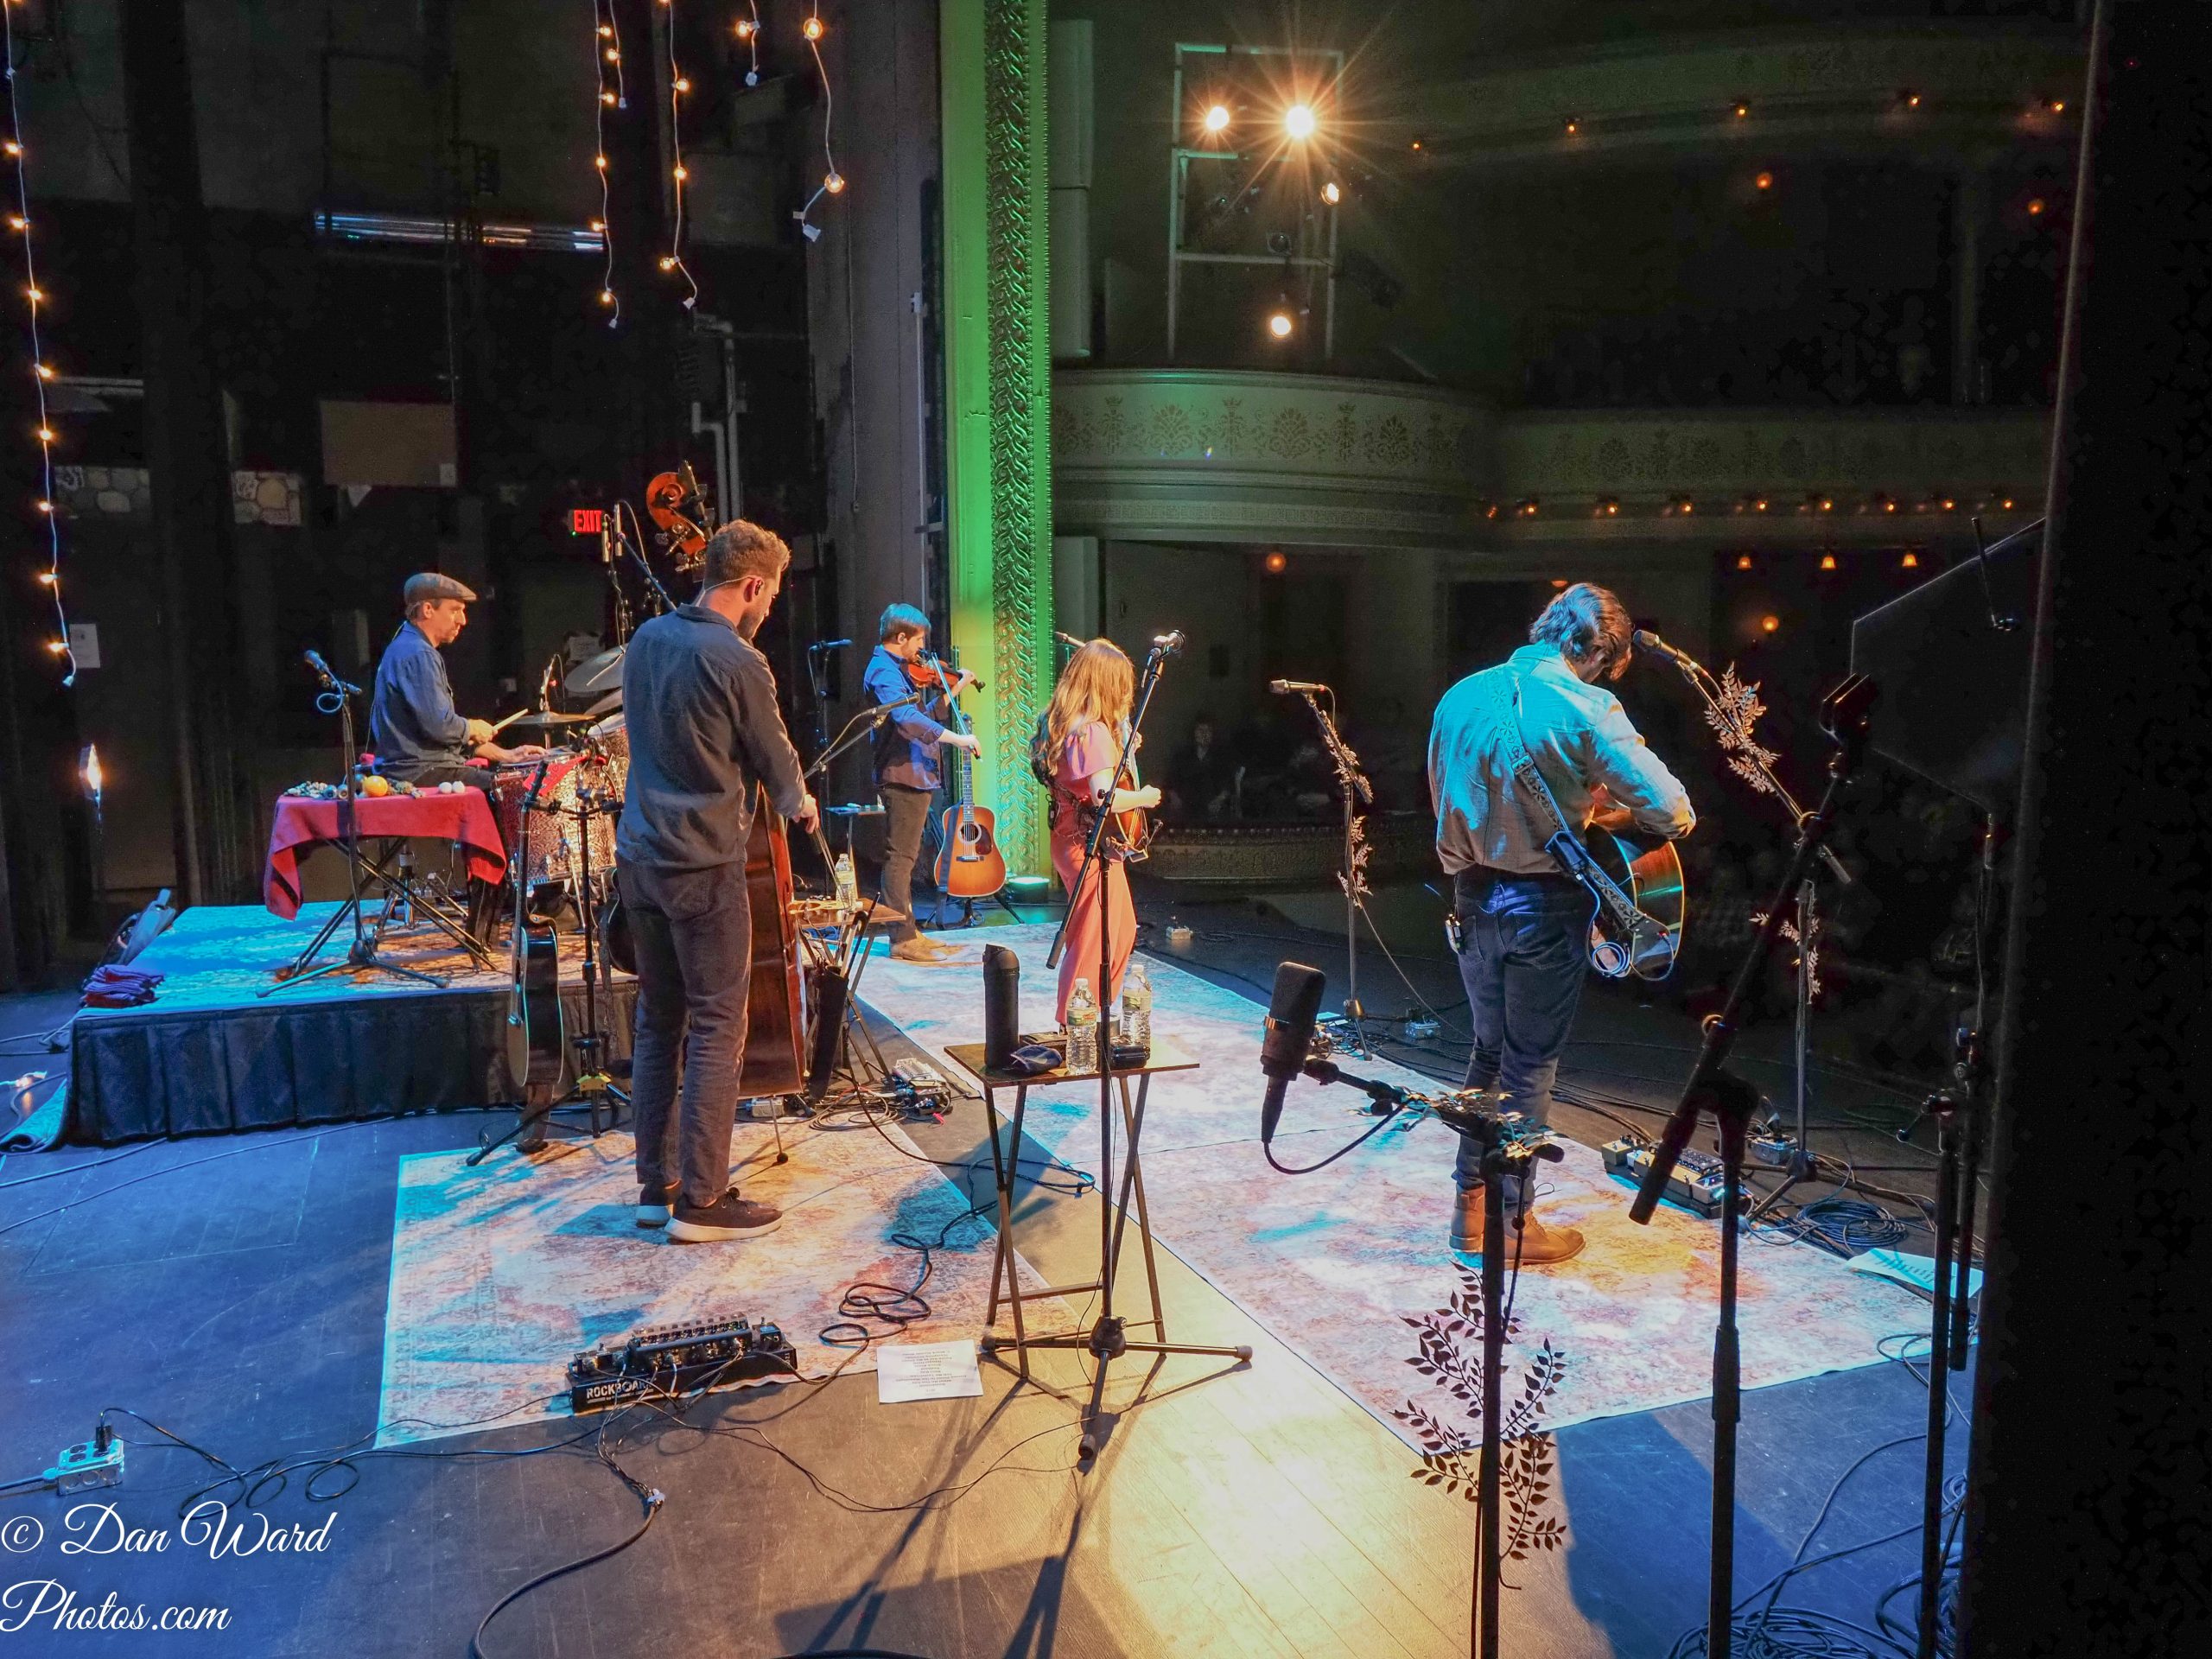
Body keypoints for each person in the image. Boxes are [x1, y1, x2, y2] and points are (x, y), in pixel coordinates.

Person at [1427, 582, 1694, 1264]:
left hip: (1470, 896)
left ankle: (1469, 1213)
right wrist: (1601, 812)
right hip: (1543, 906)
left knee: (1487, 1053)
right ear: (1600, 654)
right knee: (1529, 1065)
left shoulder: (1460, 696)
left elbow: (1445, 799)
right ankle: (1513, 1226)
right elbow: (1674, 811)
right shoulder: (1587, 705)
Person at [616, 521, 819, 1244]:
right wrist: (798, 801)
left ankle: (657, 1187)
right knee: (715, 1025)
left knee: (658, 1020)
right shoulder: (737, 658)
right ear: (753, 585)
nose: (768, 609)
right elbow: (774, 753)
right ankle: (702, 1202)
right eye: (771, 596)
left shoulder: (645, 640)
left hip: (639, 859)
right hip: (701, 863)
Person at [1041, 639, 1160, 1024]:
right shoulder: (1092, 732)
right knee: (1098, 938)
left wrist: (1121, 749)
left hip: (1071, 839)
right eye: (1121, 684)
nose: (1126, 694)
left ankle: (1089, 1014)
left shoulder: (1063, 723)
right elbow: (1105, 797)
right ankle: (1076, 1022)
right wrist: (1145, 796)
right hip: (1089, 846)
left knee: (1113, 931)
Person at [862, 603, 980, 962]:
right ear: (901, 637)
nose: (921, 650)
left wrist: (954, 690)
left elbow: (923, 716)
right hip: (901, 774)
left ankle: (909, 931)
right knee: (900, 859)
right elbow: (907, 720)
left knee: (908, 857)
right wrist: (958, 739)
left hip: (915, 772)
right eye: (918, 641)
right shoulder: (883, 671)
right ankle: (901, 939)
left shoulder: (898, 670)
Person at [368, 572, 545, 790]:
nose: (463, 620)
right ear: (427, 610)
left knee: (511, 782)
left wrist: (507, 755)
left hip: (420, 767)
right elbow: (439, 726)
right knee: (518, 790)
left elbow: (436, 736)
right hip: (421, 772)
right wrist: (471, 727)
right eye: (454, 610)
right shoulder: (419, 654)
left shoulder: (408, 647)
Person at [1163, 714, 1236, 823]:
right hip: (1186, 808)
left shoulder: (1220, 757)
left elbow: (1229, 784)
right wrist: (1175, 799)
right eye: (1200, 730)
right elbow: (1170, 781)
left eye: (1208, 731)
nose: (1204, 734)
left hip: (1211, 810)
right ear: (1194, 733)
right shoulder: (1182, 756)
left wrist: (1219, 800)